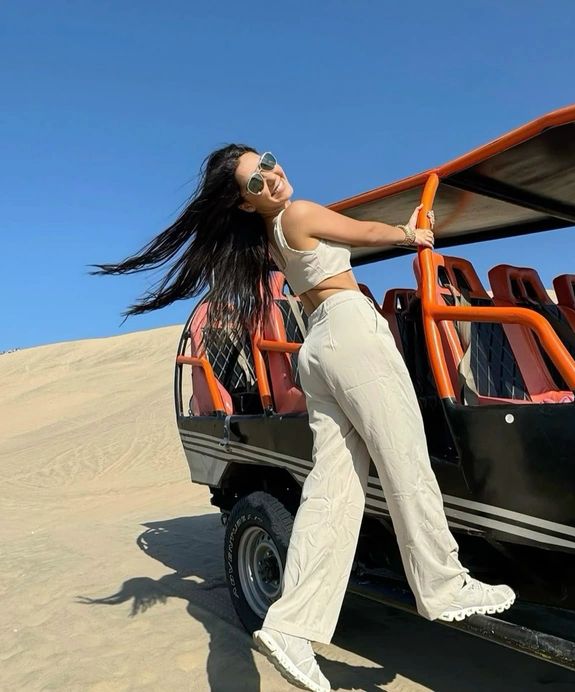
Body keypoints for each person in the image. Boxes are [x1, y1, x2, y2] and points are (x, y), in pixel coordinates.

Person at [90, 145, 516, 692]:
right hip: (352, 333)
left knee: (333, 490)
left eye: (267, 164)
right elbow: (364, 232)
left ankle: (291, 625)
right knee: (405, 462)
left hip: (318, 346)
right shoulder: (298, 213)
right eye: (255, 182)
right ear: (245, 204)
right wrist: (411, 233)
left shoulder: (271, 237)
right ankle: (442, 583)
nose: (271, 178)